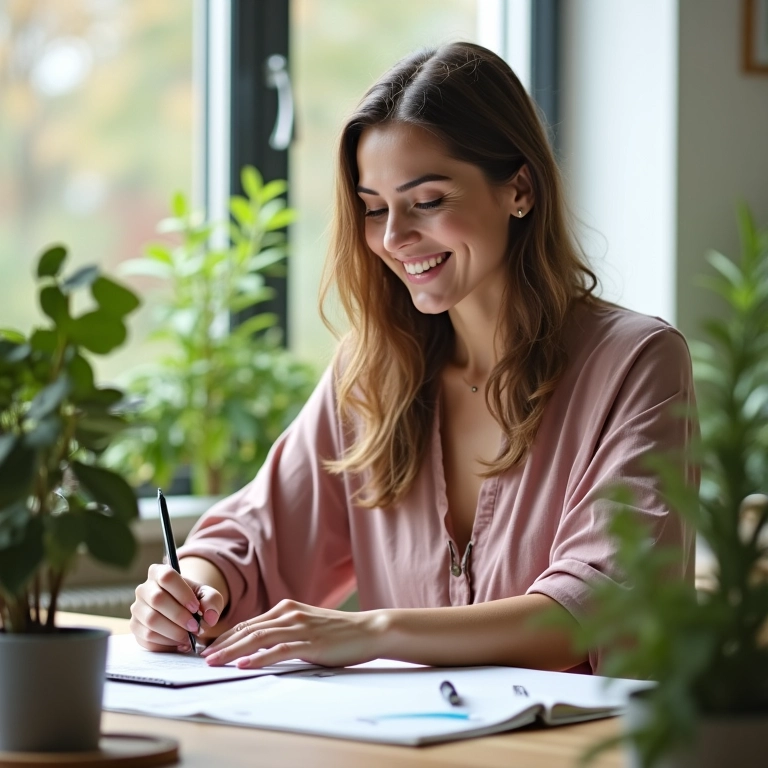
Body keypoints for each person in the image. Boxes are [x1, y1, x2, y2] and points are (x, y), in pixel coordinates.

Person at [130, 41, 697, 675]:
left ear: (520, 188)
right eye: (374, 210)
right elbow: (254, 540)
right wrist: (191, 592)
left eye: (427, 201)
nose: (395, 238)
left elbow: (596, 609)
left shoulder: (638, 364)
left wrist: (371, 632)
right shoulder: (372, 372)